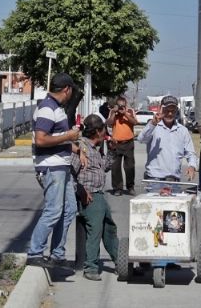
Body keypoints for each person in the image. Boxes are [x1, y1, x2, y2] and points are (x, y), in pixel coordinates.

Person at [27, 73, 83, 268]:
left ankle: (57, 255)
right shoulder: (47, 109)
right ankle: (34, 253)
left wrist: (73, 146)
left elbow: (55, 137)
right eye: (71, 91)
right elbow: (41, 139)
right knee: (53, 211)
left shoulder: (55, 108)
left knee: (69, 209)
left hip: (62, 165)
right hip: (52, 167)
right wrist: (68, 135)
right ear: (66, 89)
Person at [72, 114, 118, 281]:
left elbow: (104, 167)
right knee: (95, 232)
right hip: (90, 196)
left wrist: (112, 151)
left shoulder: (94, 149)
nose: (105, 132)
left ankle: (121, 262)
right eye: (104, 129)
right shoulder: (81, 148)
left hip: (99, 194)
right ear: (98, 131)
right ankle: (90, 267)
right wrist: (81, 192)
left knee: (109, 229)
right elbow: (71, 173)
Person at [139, 95, 197, 184]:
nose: (170, 114)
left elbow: (190, 153)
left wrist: (192, 166)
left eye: (173, 111)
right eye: (167, 110)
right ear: (161, 109)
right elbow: (141, 139)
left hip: (174, 181)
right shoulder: (153, 127)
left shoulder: (182, 130)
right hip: (154, 180)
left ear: (176, 111)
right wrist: (153, 123)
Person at [106, 95, 138, 195]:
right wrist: (114, 113)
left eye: (122, 105)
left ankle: (130, 186)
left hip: (128, 143)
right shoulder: (112, 112)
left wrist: (125, 114)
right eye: (119, 105)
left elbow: (135, 122)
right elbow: (109, 123)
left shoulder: (130, 111)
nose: (121, 107)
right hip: (116, 143)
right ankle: (117, 188)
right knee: (115, 167)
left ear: (125, 105)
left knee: (129, 167)